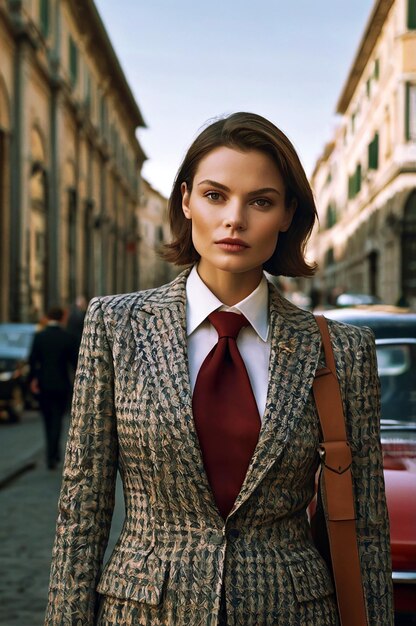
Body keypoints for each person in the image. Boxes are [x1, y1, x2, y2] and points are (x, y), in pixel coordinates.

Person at [45, 113, 393, 625]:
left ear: (286, 213)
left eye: (261, 201)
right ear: (186, 200)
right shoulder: (117, 326)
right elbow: (83, 507)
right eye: (215, 195)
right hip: (143, 610)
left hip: (292, 612)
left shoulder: (342, 349)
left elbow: (364, 525)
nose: (235, 219)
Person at [29, 306, 78, 469]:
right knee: (57, 419)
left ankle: (51, 454)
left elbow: (32, 361)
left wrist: (33, 380)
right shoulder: (68, 337)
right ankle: (54, 454)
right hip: (62, 384)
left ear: (47, 316)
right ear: (63, 317)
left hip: (43, 384)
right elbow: (75, 363)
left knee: (47, 420)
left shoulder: (39, 337)